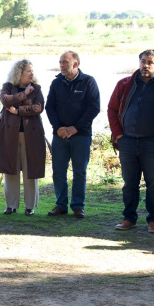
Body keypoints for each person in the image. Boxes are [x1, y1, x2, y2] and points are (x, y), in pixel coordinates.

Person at [108, 49, 154, 233]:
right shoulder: (125, 84)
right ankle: (129, 218)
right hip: (128, 141)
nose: (145, 65)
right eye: (143, 61)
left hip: (153, 143)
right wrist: (118, 134)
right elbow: (111, 109)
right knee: (129, 183)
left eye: (149, 62)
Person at [45, 51, 100, 218]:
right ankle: (61, 205)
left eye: (65, 62)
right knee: (58, 171)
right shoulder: (56, 83)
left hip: (81, 135)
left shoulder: (88, 82)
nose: (61, 65)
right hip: (60, 136)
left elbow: (94, 108)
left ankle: (78, 206)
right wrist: (58, 127)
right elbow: (50, 107)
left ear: (75, 64)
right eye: (60, 62)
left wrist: (75, 128)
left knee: (79, 172)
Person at [0, 59, 46, 216]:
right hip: (10, 135)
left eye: (32, 70)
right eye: (28, 71)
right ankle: (11, 205)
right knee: (11, 170)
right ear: (19, 73)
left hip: (31, 135)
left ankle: (30, 206)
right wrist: (24, 94)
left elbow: (38, 107)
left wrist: (19, 111)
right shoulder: (8, 86)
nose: (31, 73)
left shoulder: (37, 88)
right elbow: (5, 100)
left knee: (30, 170)